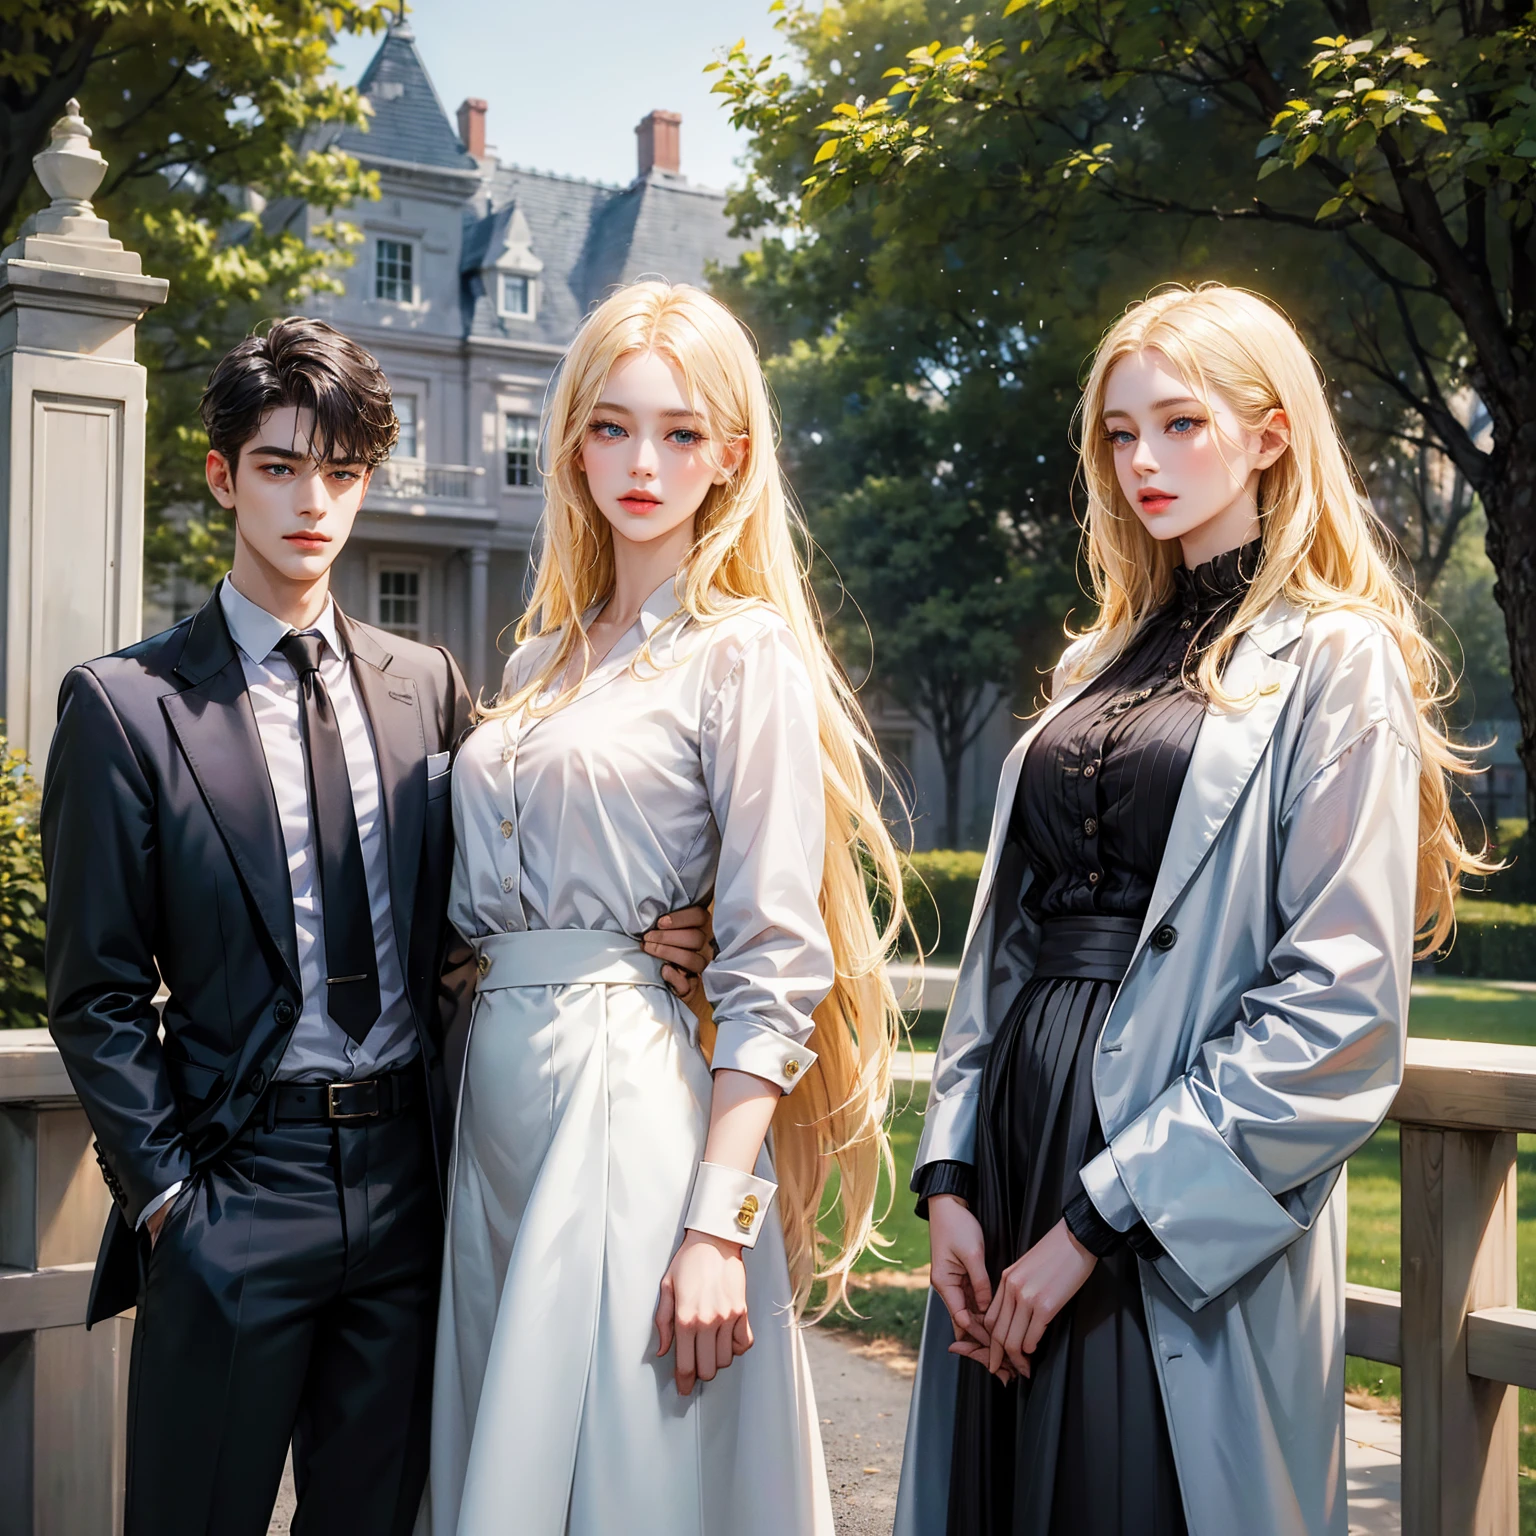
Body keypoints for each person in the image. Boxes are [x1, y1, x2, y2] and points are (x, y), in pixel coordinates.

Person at [41, 317, 711, 1536]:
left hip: (413, 1190)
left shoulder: (428, 686)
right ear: (221, 475)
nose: (314, 503)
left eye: (342, 474)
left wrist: (662, 929)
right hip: (237, 1187)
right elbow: (91, 992)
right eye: (281, 467)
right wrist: (168, 1204)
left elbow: (492, 900)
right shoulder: (126, 707)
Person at [894, 284, 1486, 1536]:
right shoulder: (1090, 664)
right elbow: (1008, 944)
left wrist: (1099, 1221)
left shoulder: (1339, 656)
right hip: (1012, 1157)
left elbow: (1337, 1001)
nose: (1145, 460)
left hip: (1160, 1196)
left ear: (1271, 433)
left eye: (1181, 422)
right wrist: (949, 1176)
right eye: (1120, 432)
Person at [419, 280, 907, 1536]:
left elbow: (776, 964)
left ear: (731, 458)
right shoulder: (534, 663)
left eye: (683, 433)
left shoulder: (743, 652)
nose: (645, 462)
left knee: (633, 1472)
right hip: (492, 1115)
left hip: (628, 1106)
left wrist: (715, 1227)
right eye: (614, 427)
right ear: (573, 438)